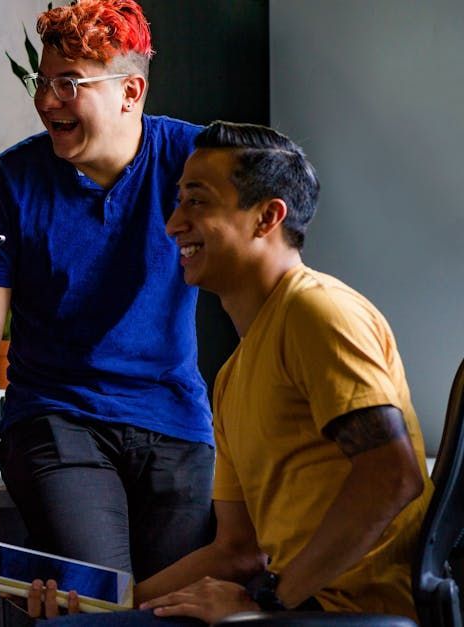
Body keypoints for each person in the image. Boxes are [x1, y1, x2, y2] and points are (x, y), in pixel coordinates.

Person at [0, 0, 214, 581]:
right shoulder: (10, 182)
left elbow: (273, 234)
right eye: (43, 81)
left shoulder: (197, 161)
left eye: (68, 83)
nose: (45, 100)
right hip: (56, 420)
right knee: (100, 598)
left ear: (130, 93)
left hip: (176, 421)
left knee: (173, 605)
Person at [126, 122, 430, 622]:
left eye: (197, 202)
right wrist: (114, 602)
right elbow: (236, 551)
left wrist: (266, 600)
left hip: (342, 616)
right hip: (291, 607)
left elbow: (392, 475)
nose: (173, 224)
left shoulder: (318, 313)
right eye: (178, 201)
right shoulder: (231, 376)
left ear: (267, 217)